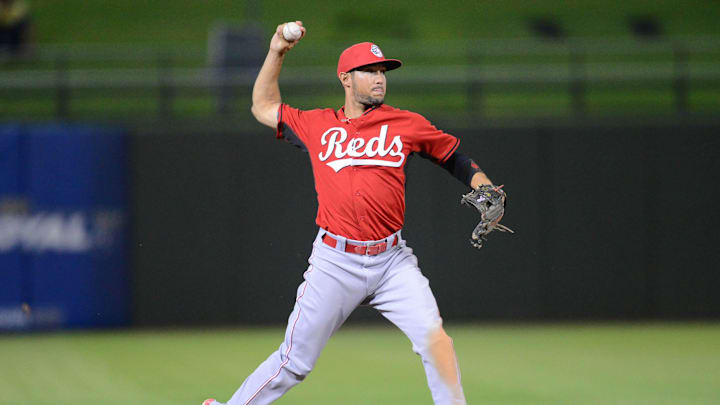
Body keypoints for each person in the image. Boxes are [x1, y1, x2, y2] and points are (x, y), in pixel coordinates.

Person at [204, 21, 500, 405]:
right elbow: (262, 106)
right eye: (370, 71)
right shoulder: (317, 124)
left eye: (383, 72)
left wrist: (484, 185)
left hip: (392, 260)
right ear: (346, 77)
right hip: (334, 260)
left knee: (436, 342)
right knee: (295, 362)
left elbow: (455, 158)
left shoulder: (406, 124)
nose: (380, 79)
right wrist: (277, 51)